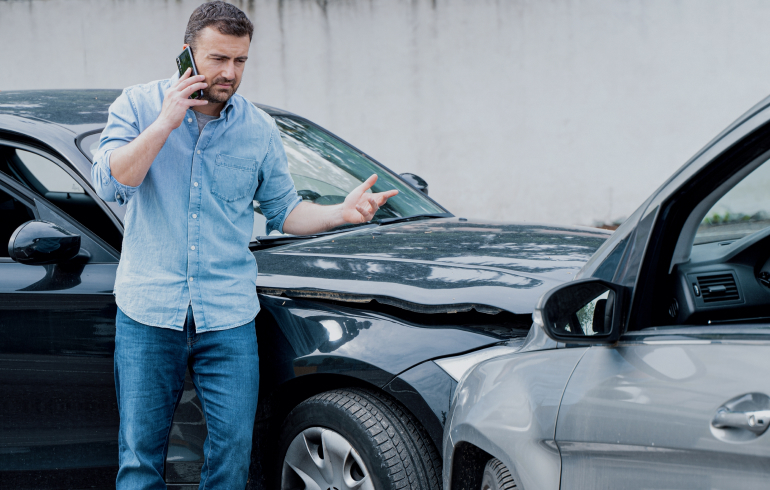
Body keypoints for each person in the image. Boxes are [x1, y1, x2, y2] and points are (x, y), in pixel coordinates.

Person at [91, 2, 397, 488]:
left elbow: (285, 211)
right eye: (218, 59)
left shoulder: (257, 129)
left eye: (240, 61)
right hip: (149, 313)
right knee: (140, 457)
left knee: (232, 456)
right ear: (187, 54)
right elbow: (114, 183)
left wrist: (342, 212)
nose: (230, 73)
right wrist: (166, 121)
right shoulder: (138, 105)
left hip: (227, 317)